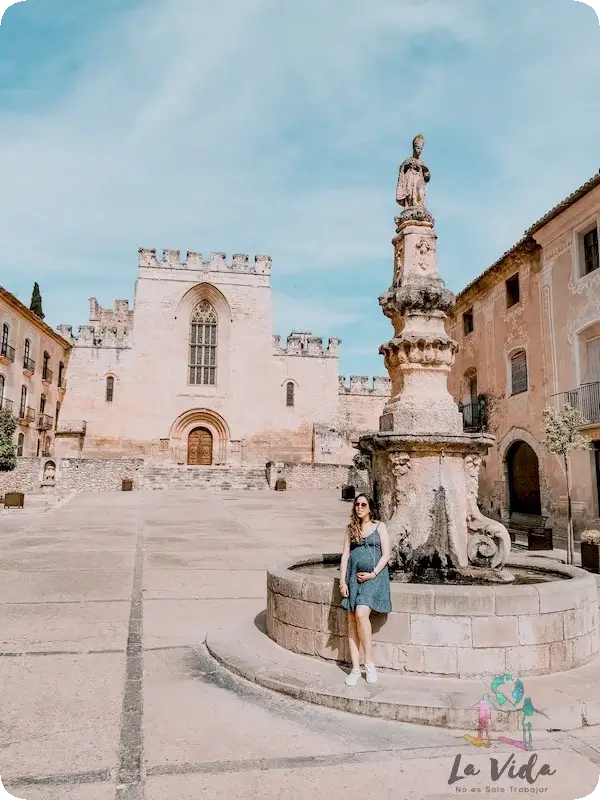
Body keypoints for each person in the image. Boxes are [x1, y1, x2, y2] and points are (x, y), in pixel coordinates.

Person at [339, 494, 392, 686]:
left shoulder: (380, 526)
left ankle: (369, 664)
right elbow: (345, 556)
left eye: (363, 505)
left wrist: (373, 573)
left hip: (374, 577)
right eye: (357, 505)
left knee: (361, 613)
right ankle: (355, 668)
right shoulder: (351, 529)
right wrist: (342, 583)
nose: (359, 507)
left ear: (370, 508)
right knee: (352, 619)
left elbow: (386, 554)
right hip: (353, 577)